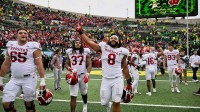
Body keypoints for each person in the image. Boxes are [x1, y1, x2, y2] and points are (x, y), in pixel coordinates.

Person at [76, 24, 132, 112]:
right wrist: (81, 32)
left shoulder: (122, 51)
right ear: (109, 40)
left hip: (117, 79)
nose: (113, 39)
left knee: (116, 102)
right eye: (111, 38)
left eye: (115, 38)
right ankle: (108, 105)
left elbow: (125, 67)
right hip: (105, 79)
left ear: (119, 41)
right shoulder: (103, 47)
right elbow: (90, 43)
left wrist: (129, 82)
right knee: (103, 101)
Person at [0, 28, 46, 112]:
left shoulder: (33, 46)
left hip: (29, 79)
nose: (23, 34)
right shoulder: (10, 45)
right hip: (14, 78)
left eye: (25, 33)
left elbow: (39, 64)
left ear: (27, 35)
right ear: (16, 35)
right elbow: (6, 63)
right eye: (20, 33)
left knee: (29, 105)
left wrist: (42, 80)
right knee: (6, 103)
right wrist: (0, 79)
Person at [65, 38, 92, 112]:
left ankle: (85, 103)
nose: (78, 44)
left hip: (83, 75)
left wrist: (87, 74)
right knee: (73, 96)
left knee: (84, 92)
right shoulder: (69, 51)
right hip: (73, 75)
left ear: (81, 44)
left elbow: (89, 64)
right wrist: (69, 68)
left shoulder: (86, 51)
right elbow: (66, 63)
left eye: (79, 43)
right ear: (73, 44)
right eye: (76, 42)